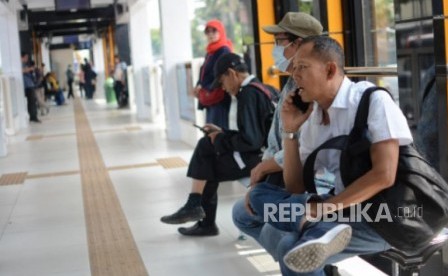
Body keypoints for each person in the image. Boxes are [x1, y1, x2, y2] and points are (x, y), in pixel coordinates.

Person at [248, 35, 413, 275]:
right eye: (295, 68)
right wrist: (291, 130)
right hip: (341, 210)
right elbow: (296, 187)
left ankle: (316, 229)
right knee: (258, 195)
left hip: (384, 215)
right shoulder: (314, 117)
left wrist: (324, 209)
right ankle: (314, 227)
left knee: (289, 246)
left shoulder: (372, 100)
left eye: (302, 67)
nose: (294, 74)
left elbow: (384, 176)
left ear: (330, 69)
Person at [232, 12, 325, 266]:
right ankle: (305, 263)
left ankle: (303, 260)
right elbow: (279, 140)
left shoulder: (313, 88)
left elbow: (308, 148)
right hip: (284, 175)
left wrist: (263, 168)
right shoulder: (291, 83)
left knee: (279, 238)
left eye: (279, 40)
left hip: (311, 183)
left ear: (298, 45)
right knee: (242, 214)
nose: (275, 48)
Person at [160, 53, 275, 236]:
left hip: (260, 160)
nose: (223, 88)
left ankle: (199, 213)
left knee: (208, 164)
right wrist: (222, 133)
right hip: (265, 154)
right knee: (207, 149)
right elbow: (256, 134)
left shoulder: (248, 95)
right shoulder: (263, 88)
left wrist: (221, 138)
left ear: (232, 73)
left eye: (222, 82)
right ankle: (197, 209)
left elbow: (251, 141)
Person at [193, 19, 233, 129]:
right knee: (210, 130)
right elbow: (204, 71)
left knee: (217, 131)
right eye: (208, 31)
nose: (210, 34)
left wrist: (203, 85)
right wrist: (198, 85)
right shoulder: (211, 51)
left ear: (221, 31)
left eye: (214, 31)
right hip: (210, 95)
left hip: (218, 96)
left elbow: (220, 73)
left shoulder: (224, 50)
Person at [21, 52, 40, 123]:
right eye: (25, 57)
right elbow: (22, 71)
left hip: (30, 84)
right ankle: (32, 116)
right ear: (21, 57)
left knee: (32, 102)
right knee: (31, 102)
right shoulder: (20, 64)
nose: (27, 59)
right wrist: (30, 69)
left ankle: (33, 116)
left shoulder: (25, 64)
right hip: (27, 86)